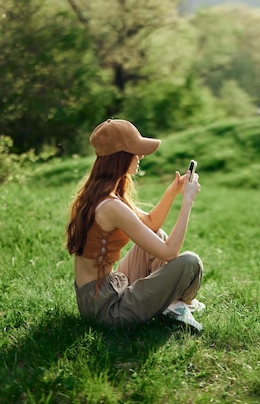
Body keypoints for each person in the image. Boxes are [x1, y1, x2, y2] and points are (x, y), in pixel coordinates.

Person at [66, 118, 205, 331]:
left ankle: (174, 304)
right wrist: (187, 202)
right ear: (121, 157)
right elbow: (169, 253)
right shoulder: (111, 206)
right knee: (191, 262)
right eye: (136, 151)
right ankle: (176, 304)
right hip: (107, 309)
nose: (140, 156)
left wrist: (172, 192)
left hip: (101, 293)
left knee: (156, 235)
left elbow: (149, 223)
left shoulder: (101, 194)